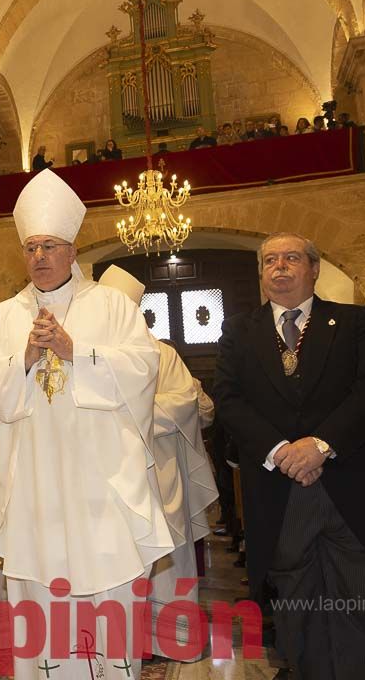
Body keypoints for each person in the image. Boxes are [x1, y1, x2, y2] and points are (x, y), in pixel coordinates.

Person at [0, 170, 172, 679]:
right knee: (42, 604)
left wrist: (74, 351)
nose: (38, 256)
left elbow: (144, 370)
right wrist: (25, 359)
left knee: (105, 594)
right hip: (34, 489)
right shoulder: (3, 316)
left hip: (98, 487)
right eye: (31, 246)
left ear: (72, 249)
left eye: (49, 245)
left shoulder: (111, 306)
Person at [213, 232, 365, 679]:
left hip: (347, 486)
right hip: (280, 492)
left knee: (360, 596)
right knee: (296, 604)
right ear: (261, 273)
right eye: (270, 261)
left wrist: (319, 445)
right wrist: (281, 451)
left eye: (292, 258)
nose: (279, 267)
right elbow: (228, 398)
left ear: (313, 269)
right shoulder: (238, 331)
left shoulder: (354, 323)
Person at [99, 266, 218, 661]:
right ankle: (120, 641)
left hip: (157, 471)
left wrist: (126, 413)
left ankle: (170, 639)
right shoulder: (85, 354)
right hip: (103, 475)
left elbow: (184, 402)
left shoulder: (159, 353)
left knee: (165, 555)